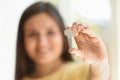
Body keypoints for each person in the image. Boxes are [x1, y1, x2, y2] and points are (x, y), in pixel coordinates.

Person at [15, 1, 109, 80]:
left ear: (62, 35)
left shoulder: (83, 72)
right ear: (22, 39)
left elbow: (99, 75)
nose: (42, 43)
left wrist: (98, 63)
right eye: (33, 34)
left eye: (50, 32)